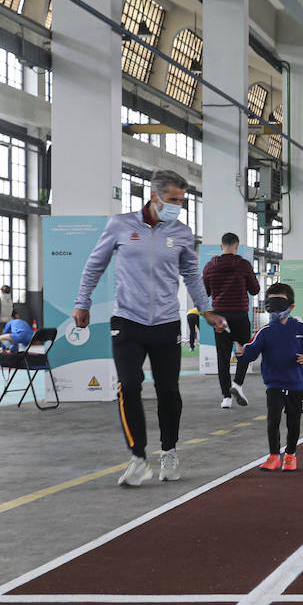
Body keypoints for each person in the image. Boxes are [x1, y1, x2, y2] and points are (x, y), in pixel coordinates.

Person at [73, 169, 227, 487]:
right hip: (127, 320)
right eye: (172, 199)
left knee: (169, 391)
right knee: (128, 386)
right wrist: (82, 301)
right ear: (154, 196)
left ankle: (168, 452)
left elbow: (192, 276)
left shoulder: (182, 232)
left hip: (167, 322)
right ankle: (138, 458)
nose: (177, 206)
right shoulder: (120, 225)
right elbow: (94, 264)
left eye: (181, 201)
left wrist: (207, 309)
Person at [235, 282, 303, 472]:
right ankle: (274, 455)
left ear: (291, 307)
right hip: (274, 384)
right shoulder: (264, 332)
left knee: (293, 422)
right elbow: (251, 352)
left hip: (296, 385)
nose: (274, 310)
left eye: (279, 304)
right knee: (273, 420)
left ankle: (290, 455)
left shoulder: (301, 328)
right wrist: (241, 353)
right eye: (271, 304)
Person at [202, 232, 260, 409]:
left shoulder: (210, 266)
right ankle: (237, 384)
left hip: (220, 317)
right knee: (245, 351)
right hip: (240, 316)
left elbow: (205, 293)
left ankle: (226, 397)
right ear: (237, 246)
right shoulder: (243, 265)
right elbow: (255, 290)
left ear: (221, 247)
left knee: (222, 356)